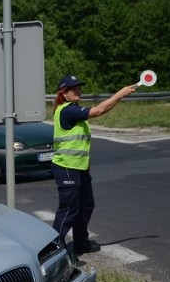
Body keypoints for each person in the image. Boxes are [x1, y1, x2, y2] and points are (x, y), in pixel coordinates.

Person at [51, 74, 137, 255]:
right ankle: (54, 249)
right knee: (69, 209)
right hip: (67, 167)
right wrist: (120, 94)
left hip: (79, 168)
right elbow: (98, 111)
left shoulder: (74, 109)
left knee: (86, 206)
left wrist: (86, 163)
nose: (78, 91)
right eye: (74, 88)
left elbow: (80, 140)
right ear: (64, 93)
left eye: (79, 87)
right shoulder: (67, 110)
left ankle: (81, 243)